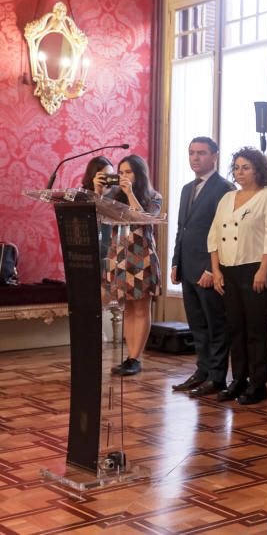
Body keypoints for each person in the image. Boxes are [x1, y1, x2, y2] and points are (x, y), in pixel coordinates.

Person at [208, 148, 267, 405]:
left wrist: (263, 270)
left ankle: (258, 383)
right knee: (235, 328)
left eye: (246, 167)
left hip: (257, 268)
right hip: (228, 268)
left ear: (258, 170)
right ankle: (238, 379)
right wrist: (216, 270)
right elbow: (214, 236)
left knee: (255, 328)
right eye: (237, 167)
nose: (240, 172)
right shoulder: (227, 197)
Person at [170, 137, 236, 397]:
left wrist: (212, 268)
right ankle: (202, 370)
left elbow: (223, 231)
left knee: (215, 324)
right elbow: (181, 229)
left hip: (209, 269)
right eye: (191, 153)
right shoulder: (187, 188)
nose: (195, 158)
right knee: (197, 324)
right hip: (187, 266)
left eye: (201, 153)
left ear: (215, 156)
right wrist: (176, 261)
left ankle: (217, 377)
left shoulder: (224, 188)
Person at [96, 154, 162, 376]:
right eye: (120, 173)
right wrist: (98, 191)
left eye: (128, 172)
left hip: (141, 256)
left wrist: (131, 193)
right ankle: (129, 357)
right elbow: (95, 216)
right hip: (120, 257)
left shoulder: (154, 197)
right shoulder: (113, 198)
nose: (123, 177)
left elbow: (144, 220)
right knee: (129, 309)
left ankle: (135, 358)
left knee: (141, 308)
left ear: (139, 174)